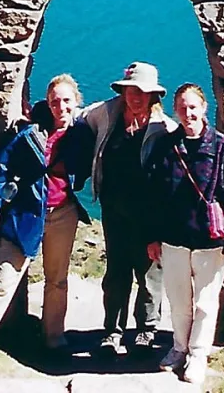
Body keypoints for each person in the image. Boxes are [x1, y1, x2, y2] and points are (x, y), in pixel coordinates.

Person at [0, 74, 92, 387]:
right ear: (47, 102)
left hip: (63, 214)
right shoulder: (28, 133)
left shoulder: (83, 132)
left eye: (66, 100)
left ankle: (54, 340)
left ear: (76, 102)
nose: (60, 107)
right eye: (54, 101)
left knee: (57, 281)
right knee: (0, 283)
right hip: (25, 215)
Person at [146, 83, 224, 384]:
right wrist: (152, 236)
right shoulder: (166, 147)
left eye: (193, 107)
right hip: (174, 238)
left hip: (209, 239)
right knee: (178, 299)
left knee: (205, 302)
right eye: (182, 107)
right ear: (175, 110)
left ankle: (198, 354)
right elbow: (154, 196)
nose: (188, 113)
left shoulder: (221, 147)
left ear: (204, 108)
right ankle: (179, 347)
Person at [74, 61, 178, 355]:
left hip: (148, 214)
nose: (136, 96)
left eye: (143, 92)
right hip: (114, 209)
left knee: (149, 272)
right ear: (123, 91)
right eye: (131, 90)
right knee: (116, 270)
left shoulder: (165, 129)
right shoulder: (106, 113)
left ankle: (146, 329)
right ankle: (112, 330)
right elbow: (78, 118)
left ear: (153, 96)